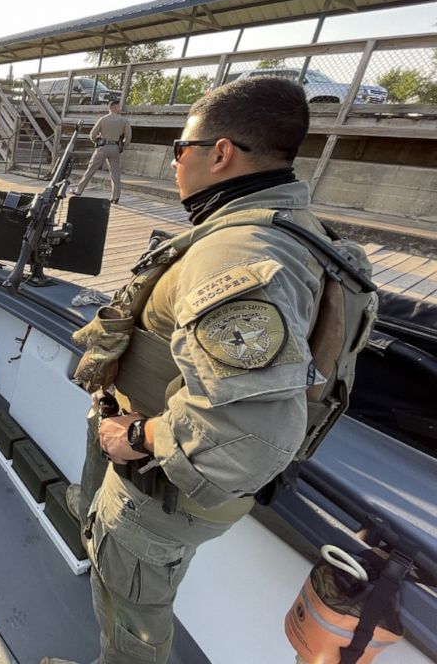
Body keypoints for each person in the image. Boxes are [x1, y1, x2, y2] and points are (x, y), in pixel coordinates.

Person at [44, 77, 374, 664]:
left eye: (179, 149)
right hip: (167, 481)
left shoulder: (238, 256)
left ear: (219, 153)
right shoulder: (298, 233)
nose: (176, 164)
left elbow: (248, 437)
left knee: (131, 617)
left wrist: (139, 435)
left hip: (157, 490)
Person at [70, 100, 131, 202]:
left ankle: (79, 190)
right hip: (115, 147)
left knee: (91, 169)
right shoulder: (124, 121)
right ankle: (115, 197)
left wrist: (97, 142)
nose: (120, 109)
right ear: (115, 107)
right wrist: (122, 147)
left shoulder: (102, 119)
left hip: (102, 147)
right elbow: (128, 137)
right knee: (115, 173)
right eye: (119, 107)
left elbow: (92, 135)